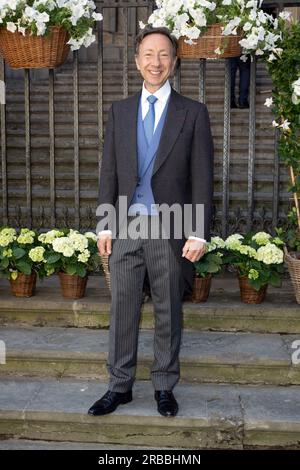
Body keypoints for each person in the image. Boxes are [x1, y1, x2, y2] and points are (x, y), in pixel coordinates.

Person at [88, 27, 214, 418]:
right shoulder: (120, 110)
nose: (155, 62)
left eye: (163, 55)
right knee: (122, 308)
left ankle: (163, 384)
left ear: (174, 62)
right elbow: (109, 171)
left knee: (167, 309)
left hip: (169, 226)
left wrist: (198, 231)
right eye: (148, 54)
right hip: (127, 226)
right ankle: (119, 386)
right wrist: (105, 224)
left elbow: (202, 176)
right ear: (137, 61)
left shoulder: (192, 112)